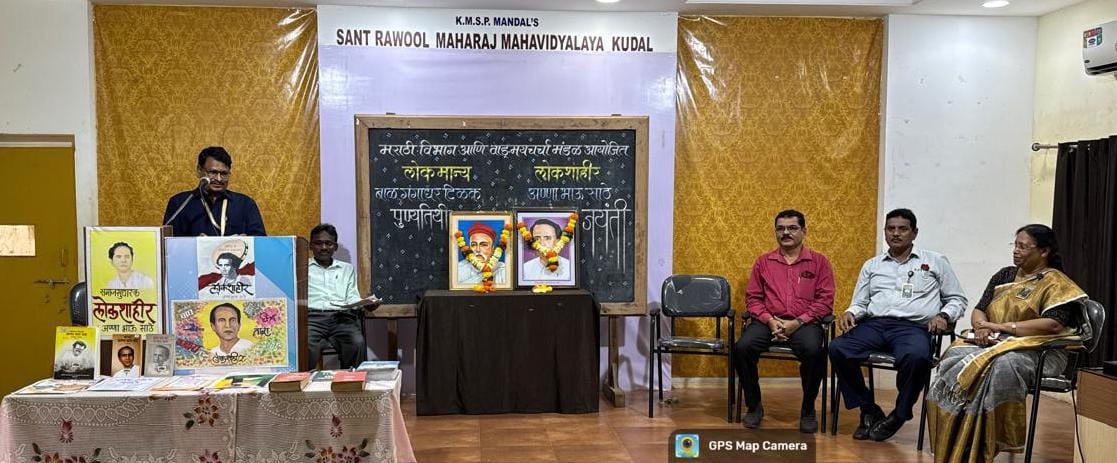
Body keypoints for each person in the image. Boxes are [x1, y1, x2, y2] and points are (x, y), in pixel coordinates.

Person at [926, 224, 1086, 463]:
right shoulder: (1005, 276)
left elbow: (1053, 325)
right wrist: (981, 327)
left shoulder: (1057, 284)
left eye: (1023, 247)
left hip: (1039, 350)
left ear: (1044, 251)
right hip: (995, 343)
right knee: (954, 356)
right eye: (1015, 245)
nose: (1016, 251)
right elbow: (980, 309)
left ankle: (987, 441)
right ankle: (956, 436)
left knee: (1001, 365)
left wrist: (1002, 328)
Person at [828, 208, 967, 442]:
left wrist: (944, 315)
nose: (896, 233)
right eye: (891, 229)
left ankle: (900, 414)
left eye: (902, 229)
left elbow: (957, 299)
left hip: (912, 327)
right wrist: (851, 312)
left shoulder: (935, 261)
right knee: (838, 348)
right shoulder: (872, 265)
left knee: (917, 357)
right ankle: (868, 409)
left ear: (914, 233)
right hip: (875, 324)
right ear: (885, 232)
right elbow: (860, 302)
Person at [732, 209, 835, 433]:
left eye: (792, 228)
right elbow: (753, 298)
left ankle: (808, 409)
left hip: (805, 323)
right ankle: (754, 406)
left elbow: (825, 301)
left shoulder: (819, 262)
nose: (785, 233)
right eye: (780, 229)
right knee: (742, 348)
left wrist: (797, 322)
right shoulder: (763, 262)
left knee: (814, 352)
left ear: (804, 231)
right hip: (768, 321)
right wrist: (770, 321)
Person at [307, 223, 378, 369]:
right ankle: (304, 381)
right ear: (311, 246)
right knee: (304, 345)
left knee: (356, 342)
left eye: (328, 243)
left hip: (341, 318)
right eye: (318, 243)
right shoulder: (302, 267)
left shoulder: (347, 269)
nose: (324, 247)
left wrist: (366, 303)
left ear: (335, 247)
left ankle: (350, 380)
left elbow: (352, 297)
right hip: (312, 318)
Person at [163, 146, 266, 237]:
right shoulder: (180, 203)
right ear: (199, 171)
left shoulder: (245, 204)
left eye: (224, 174)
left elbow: (260, 241)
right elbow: (169, 244)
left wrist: (241, 241)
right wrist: (197, 243)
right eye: (213, 172)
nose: (219, 179)